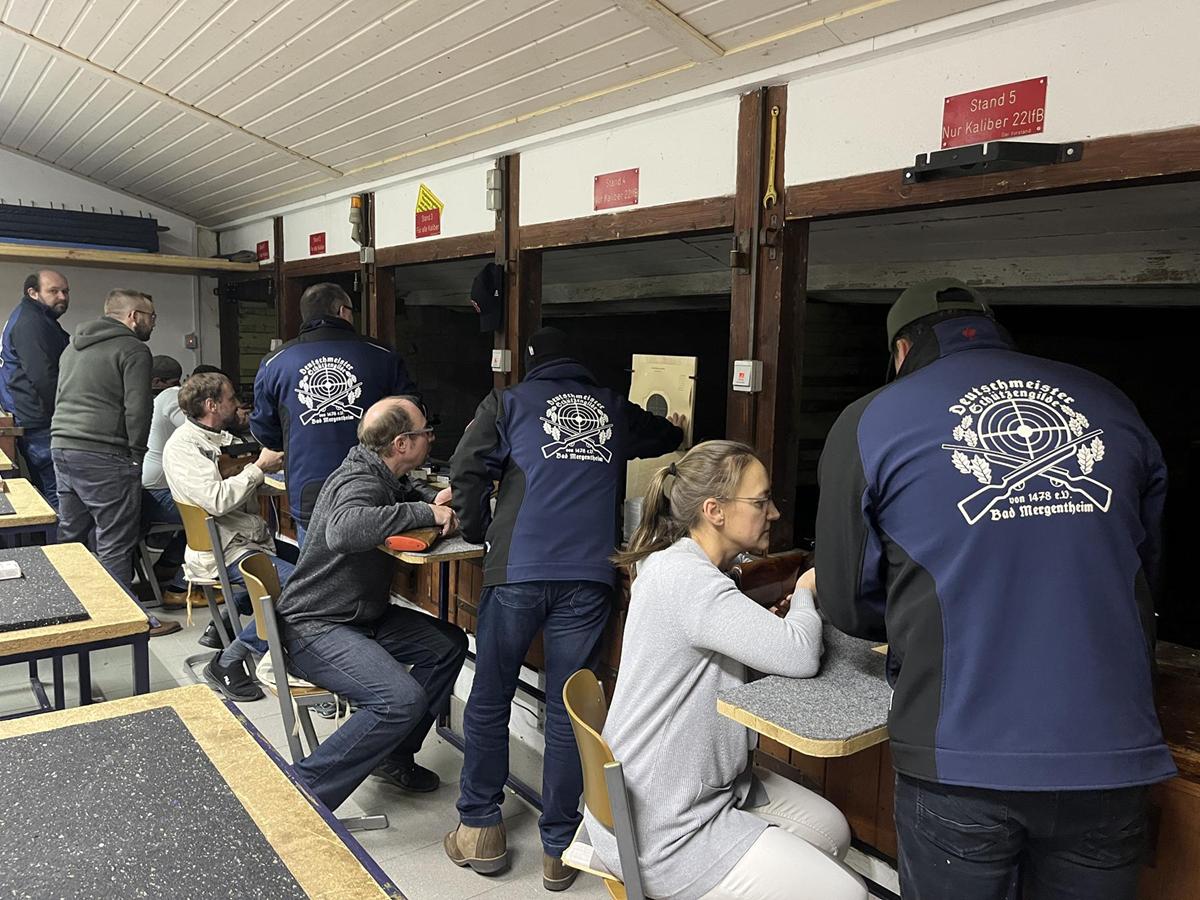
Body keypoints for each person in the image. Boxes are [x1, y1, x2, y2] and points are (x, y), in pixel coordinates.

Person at [815, 277, 1176, 900]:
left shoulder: (870, 418)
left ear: (902, 350)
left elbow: (848, 601)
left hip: (958, 755)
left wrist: (919, 619)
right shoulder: (1109, 399)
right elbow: (1146, 572)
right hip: (1114, 750)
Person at [445, 326, 685, 891]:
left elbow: (466, 467)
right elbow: (659, 435)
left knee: (490, 696)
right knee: (565, 711)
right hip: (589, 576)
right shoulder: (611, 407)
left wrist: (479, 531)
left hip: (518, 570)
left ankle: (480, 827)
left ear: (533, 364)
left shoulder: (507, 402)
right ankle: (560, 846)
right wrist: (676, 428)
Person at [584, 441, 867, 900]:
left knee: (831, 830)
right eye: (761, 501)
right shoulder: (688, 579)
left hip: (683, 794)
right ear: (714, 510)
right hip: (665, 828)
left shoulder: (676, 563)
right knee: (847, 892)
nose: (773, 513)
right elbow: (799, 655)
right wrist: (804, 592)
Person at [274, 396, 468, 812]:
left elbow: (403, 493)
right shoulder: (360, 480)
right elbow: (343, 530)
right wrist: (425, 513)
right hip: (316, 625)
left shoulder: (379, 472)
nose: (431, 439)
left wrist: (432, 501)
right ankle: (300, 795)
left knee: (448, 645)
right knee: (400, 700)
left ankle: (393, 754)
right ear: (402, 444)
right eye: (425, 433)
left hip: (357, 616)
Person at [252, 282, 416, 544]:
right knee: (374, 562)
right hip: (371, 486)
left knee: (315, 564)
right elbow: (410, 416)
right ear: (343, 311)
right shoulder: (382, 355)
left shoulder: (275, 362)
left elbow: (265, 431)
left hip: (308, 489)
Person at [162, 371, 287, 701]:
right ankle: (227, 661)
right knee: (296, 588)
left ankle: (225, 628)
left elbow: (235, 479)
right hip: (224, 549)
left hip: (242, 539)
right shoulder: (184, 448)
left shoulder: (220, 440)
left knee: (307, 568)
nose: (237, 404)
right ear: (212, 405)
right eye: (231, 398)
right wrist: (258, 469)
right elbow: (216, 500)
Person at [51, 290, 155, 591]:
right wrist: (136, 456)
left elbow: (60, 395)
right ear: (133, 316)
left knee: (71, 535)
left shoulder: (72, 347)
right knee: (114, 541)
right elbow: (138, 408)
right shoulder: (133, 349)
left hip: (62, 445)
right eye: (151, 317)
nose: (153, 323)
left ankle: (66, 603)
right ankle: (121, 615)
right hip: (104, 451)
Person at [0, 270, 70, 509]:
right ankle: (62, 533)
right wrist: (65, 414)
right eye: (54, 291)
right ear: (33, 293)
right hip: (39, 419)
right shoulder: (32, 322)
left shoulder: (35, 317)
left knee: (54, 486)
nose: (62, 297)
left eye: (65, 291)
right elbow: (43, 377)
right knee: (58, 488)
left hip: (32, 415)